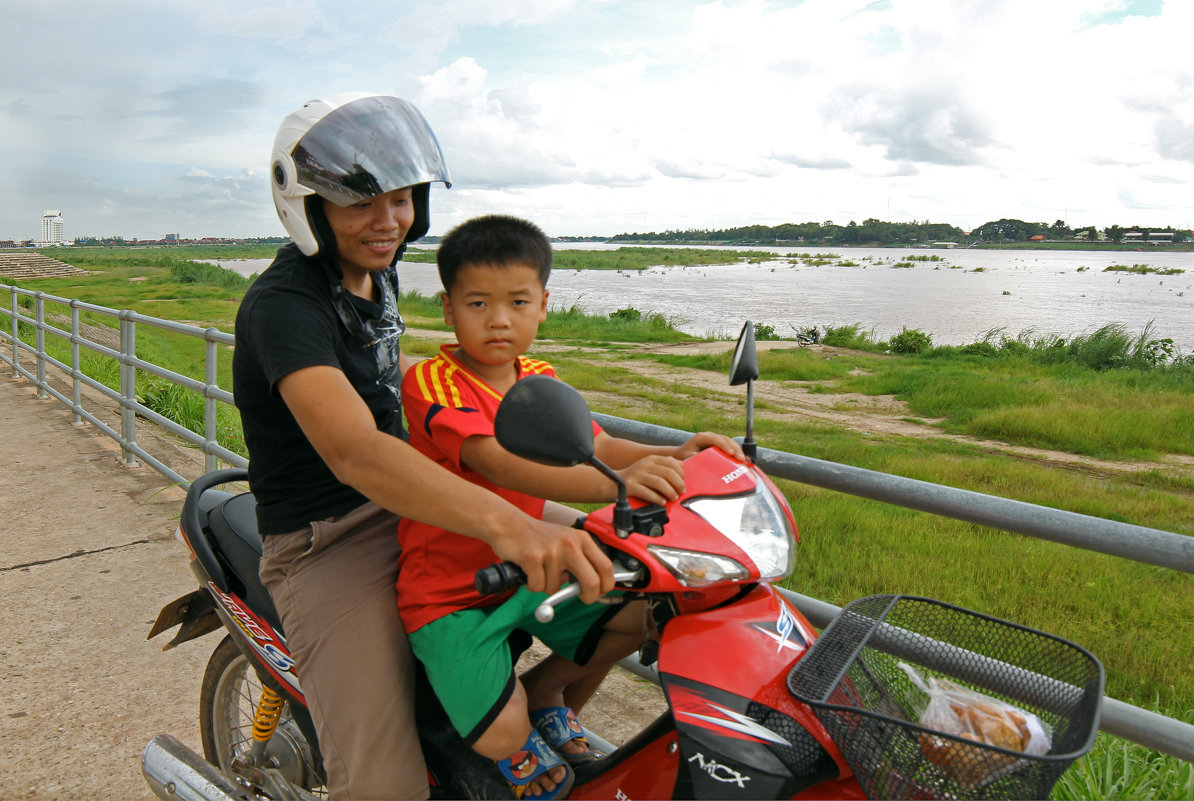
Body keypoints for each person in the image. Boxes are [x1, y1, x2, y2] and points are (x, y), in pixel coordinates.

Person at [233, 95, 615, 801]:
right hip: (328, 537)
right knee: (385, 783)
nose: (389, 221)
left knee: (629, 575)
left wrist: (675, 465)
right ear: (309, 205)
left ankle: (528, 709)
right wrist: (508, 520)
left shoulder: (373, 275)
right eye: (363, 203)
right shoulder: (284, 305)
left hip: (413, 503)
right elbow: (356, 451)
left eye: (403, 199)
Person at [398, 214, 744, 799]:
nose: (499, 319)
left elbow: (598, 444)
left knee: (639, 615)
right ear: (447, 308)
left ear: (544, 304)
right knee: (499, 734)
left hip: (531, 570)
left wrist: (677, 451)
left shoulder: (538, 376)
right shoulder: (434, 383)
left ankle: (545, 694)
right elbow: (497, 461)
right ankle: (513, 739)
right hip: (449, 594)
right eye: (478, 303)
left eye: (517, 301)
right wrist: (619, 483)